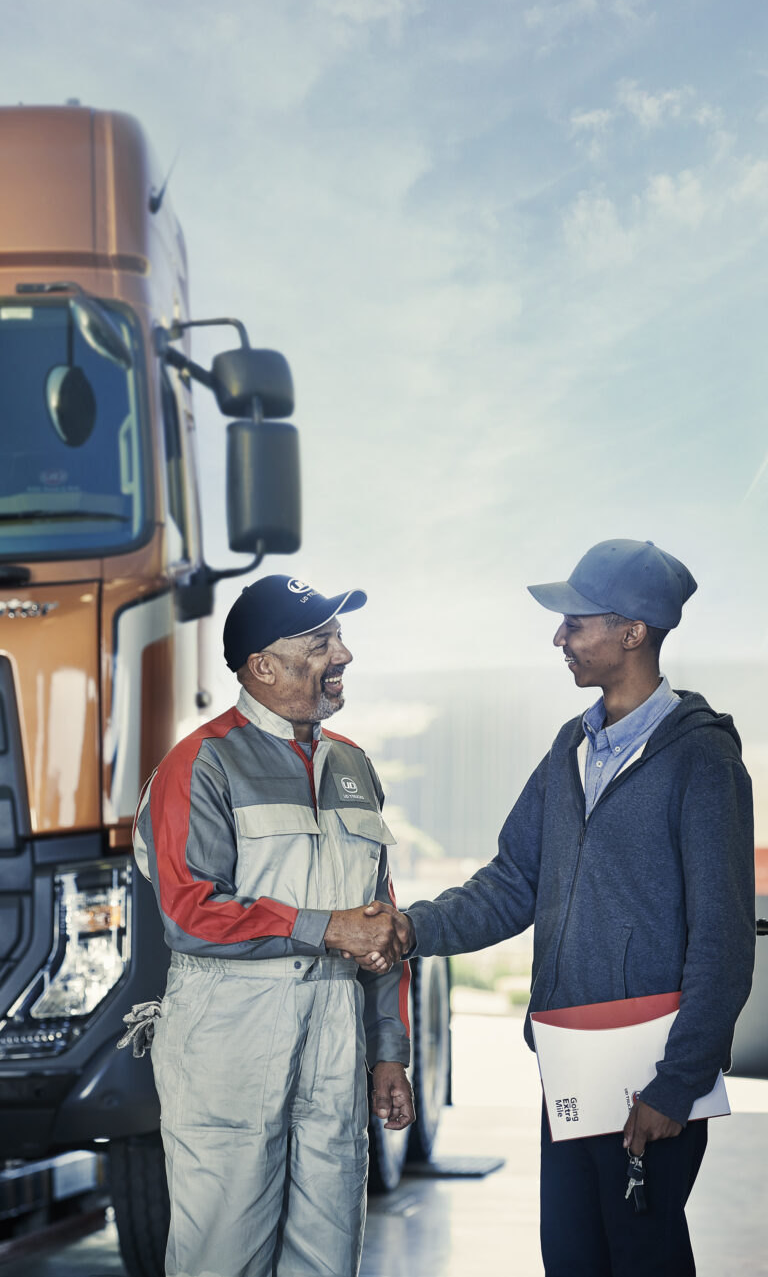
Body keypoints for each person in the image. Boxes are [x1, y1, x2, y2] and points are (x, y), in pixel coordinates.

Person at [362, 539, 756, 1277]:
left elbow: (725, 940)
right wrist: (413, 927)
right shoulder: (569, 747)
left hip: (652, 1071)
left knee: (644, 1258)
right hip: (571, 1067)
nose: (559, 637)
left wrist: (678, 1081)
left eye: (576, 621)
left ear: (633, 630)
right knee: (572, 1258)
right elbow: (513, 881)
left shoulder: (703, 761)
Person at [127, 573, 414, 1277]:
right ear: (263, 665)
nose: (342, 653)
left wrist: (388, 1050)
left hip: (335, 1038)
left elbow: (377, 920)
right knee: (222, 1256)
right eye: (321, 641)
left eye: (339, 636)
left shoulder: (352, 764)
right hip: (232, 1038)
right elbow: (189, 910)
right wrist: (327, 928)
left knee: (328, 1254)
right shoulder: (199, 764)